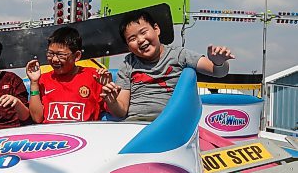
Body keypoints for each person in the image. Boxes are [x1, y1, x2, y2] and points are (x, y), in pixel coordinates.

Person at [100, 9, 235, 122]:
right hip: (135, 126)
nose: (140, 40)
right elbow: (121, 111)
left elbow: (218, 72)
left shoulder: (179, 55)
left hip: (169, 125)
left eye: (143, 32)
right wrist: (112, 102)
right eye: (132, 39)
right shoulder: (128, 64)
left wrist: (219, 62)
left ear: (156, 29)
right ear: (128, 47)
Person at [25, 26, 109, 123]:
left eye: (61, 55)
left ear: (77, 56)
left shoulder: (95, 76)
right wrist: (34, 83)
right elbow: (37, 118)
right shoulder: (42, 79)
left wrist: (108, 88)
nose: (55, 59)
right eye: (50, 54)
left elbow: (116, 112)